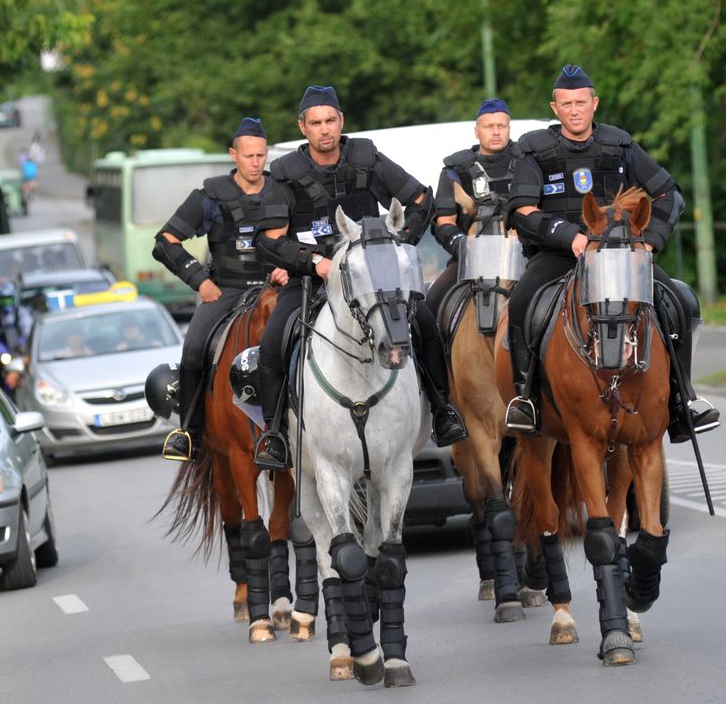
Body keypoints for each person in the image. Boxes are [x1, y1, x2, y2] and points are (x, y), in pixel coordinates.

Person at [253, 85, 468, 470]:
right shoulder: (284, 173)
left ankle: (442, 411)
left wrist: (399, 242)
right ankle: (275, 434)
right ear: (303, 127)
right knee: (273, 341)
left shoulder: (366, 157)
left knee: (423, 323)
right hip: (314, 278)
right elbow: (268, 241)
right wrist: (313, 262)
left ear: (341, 122)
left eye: (330, 121)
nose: (324, 130)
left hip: (374, 274)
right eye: (316, 123)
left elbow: (421, 199)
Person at [503, 65, 720, 441]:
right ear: (555, 108)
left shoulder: (619, 144)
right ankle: (527, 399)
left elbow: (671, 195)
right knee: (522, 302)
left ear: (594, 104)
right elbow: (521, 209)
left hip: (622, 256)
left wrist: (649, 241)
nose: (575, 110)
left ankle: (682, 400)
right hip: (560, 255)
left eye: (581, 103)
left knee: (679, 302)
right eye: (566, 103)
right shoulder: (533, 148)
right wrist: (570, 235)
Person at [153, 117, 289, 462]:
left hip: (280, 288)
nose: (256, 163)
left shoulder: (285, 190)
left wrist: (293, 267)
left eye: (261, 156)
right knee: (194, 346)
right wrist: (201, 281)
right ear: (234, 155)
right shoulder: (210, 196)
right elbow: (165, 242)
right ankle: (189, 433)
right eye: (248, 156)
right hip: (227, 290)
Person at [426, 98, 517, 314]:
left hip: (523, 256)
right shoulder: (455, 170)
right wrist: (466, 249)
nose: (496, 132)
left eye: (501, 126)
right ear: (477, 131)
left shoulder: (528, 161)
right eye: (489, 126)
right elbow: (445, 222)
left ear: (509, 128)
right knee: (433, 301)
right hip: (471, 260)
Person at [0, 282, 31, 390]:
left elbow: (27, 331)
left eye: (8, 299)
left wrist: (24, 346)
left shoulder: (21, 313)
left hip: (19, 351)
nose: (6, 303)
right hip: (2, 354)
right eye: (3, 299)